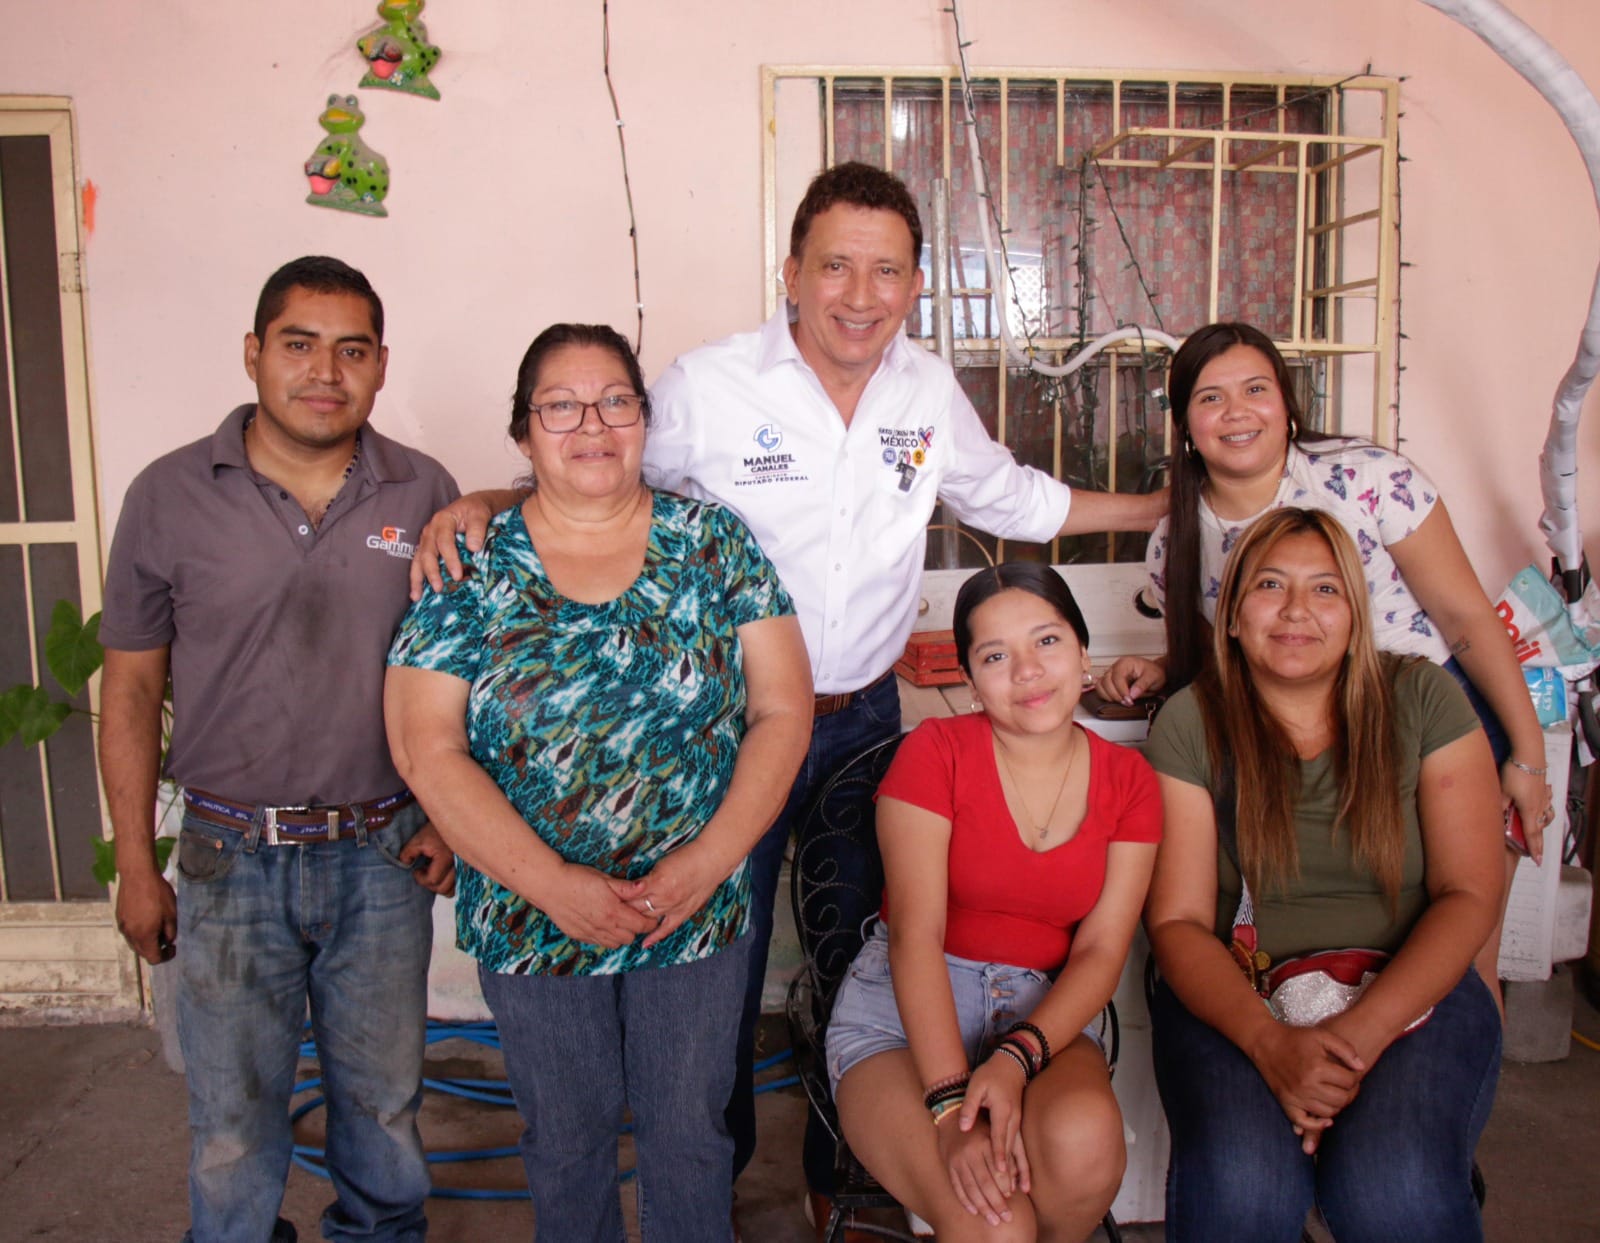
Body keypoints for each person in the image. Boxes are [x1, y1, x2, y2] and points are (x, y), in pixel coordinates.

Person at [409, 162, 1164, 1231]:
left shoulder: (924, 392)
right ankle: (697, 1187)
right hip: (740, 726)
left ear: (913, 286)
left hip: (860, 718)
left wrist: (1163, 501)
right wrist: (484, 499)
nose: (860, 294)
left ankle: (843, 1177)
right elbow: (594, 465)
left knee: (863, 956)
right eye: (836, 266)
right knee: (720, 960)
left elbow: (1016, 499)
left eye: (887, 271)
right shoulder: (712, 384)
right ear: (792, 273)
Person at [383, 323, 813, 1241]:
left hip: (693, 905)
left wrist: (707, 862)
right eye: (561, 404)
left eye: (616, 399)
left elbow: (782, 711)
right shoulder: (472, 564)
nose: (592, 423)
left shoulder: (712, 543)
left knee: (690, 1134)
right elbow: (428, 749)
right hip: (531, 916)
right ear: (524, 430)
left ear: (644, 419)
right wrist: (556, 888)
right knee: (567, 1137)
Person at [99, 256, 459, 1243]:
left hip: (380, 856)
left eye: (351, 350)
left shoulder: (423, 488)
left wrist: (445, 816)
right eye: (298, 344)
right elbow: (129, 687)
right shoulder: (169, 494)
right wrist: (137, 864)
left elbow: (458, 675)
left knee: (383, 1109)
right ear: (255, 353)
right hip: (226, 860)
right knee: (229, 1120)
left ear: (380, 365)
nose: (323, 371)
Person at [1097, 321, 1552, 1003]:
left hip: (1429, 727)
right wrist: (1165, 666)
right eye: (1211, 398)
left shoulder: (1368, 479)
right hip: (1299, 746)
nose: (1237, 412)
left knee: (1460, 967)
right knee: (1322, 971)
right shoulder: (1176, 541)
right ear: (1186, 426)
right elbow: (1224, 646)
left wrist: (1527, 753)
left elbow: (1465, 620)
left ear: (1287, 403)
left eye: (1256, 389)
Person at [1143, 507, 1504, 1243]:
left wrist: (1357, 1038)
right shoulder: (1190, 722)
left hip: (1410, 990)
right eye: (1271, 585)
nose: (1297, 610)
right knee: (1242, 1189)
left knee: (1392, 1187)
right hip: (1240, 995)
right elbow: (1177, 922)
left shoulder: (1425, 698)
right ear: (1235, 615)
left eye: (1326, 589)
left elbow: (1470, 894)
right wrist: (1273, 1046)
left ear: (1355, 613)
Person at [827, 563, 1160, 1242]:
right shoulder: (935, 752)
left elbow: (1101, 949)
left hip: (1045, 1011)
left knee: (1085, 1143)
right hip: (902, 1017)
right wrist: (950, 1109)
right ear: (972, 681)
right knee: (993, 1222)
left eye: (1047, 641)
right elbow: (915, 935)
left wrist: (1016, 1056)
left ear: (1082, 650)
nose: (1028, 671)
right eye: (996, 655)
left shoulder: (1130, 780)